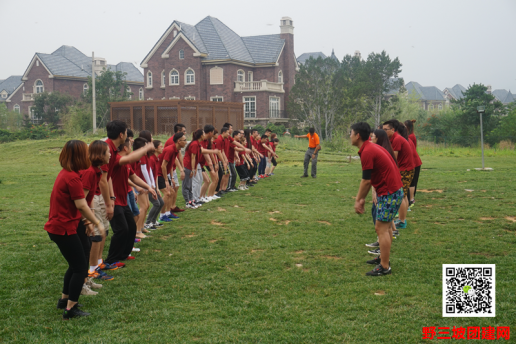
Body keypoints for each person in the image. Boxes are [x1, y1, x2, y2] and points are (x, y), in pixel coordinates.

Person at [46, 140, 105, 319]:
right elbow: (81, 205)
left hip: (63, 226)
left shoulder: (67, 174)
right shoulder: (72, 178)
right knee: (80, 267)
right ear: (79, 156)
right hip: (63, 228)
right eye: (86, 152)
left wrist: (86, 223)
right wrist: (96, 222)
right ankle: (71, 309)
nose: (88, 155)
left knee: (75, 265)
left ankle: (64, 300)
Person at [350, 122, 403, 276]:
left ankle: (384, 266)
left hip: (389, 192)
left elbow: (366, 180)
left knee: (382, 228)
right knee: (385, 228)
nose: (350, 136)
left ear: (358, 135)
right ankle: (383, 259)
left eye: (351, 133)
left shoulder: (368, 150)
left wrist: (359, 200)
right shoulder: (369, 147)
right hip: (391, 191)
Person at [82, 140, 115, 285]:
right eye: (108, 152)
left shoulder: (97, 170)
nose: (110, 155)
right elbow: (83, 199)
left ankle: (96, 265)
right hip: (86, 208)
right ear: (100, 154)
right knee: (95, 235)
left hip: (92, 204)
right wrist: (89, 220)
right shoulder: (90, 172)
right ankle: (92, 269)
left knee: (101, 232)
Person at [383, 120, 415, 230]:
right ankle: (402, 219)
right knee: (404, 195)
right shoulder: (394, 138)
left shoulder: (396, 139)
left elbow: (394, 158)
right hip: (405, 169)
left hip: (405, 170)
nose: (383, 132)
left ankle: (402, 221)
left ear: (392, 130)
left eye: (385, 130)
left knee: (401, 195)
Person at [159, 132, 187, 220]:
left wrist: (171, 178)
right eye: (184, 140)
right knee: (167, 193)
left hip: (165, 174)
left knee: (172, 192)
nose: (186, 142)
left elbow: (170, 165)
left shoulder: (175, 150)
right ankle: (162, 215)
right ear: (179, 141)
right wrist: (166, 180)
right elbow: (163, 166)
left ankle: (167, 213)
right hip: (158, 174)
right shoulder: (170, 149)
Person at [182, 129, 204, 209]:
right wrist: (193, 169)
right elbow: (193, 157)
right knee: (186, 185)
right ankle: (188, 202)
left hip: (190, 166)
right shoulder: (194, 144)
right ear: (201, 135)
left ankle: (192, 201)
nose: (204, 135)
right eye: (203, 133)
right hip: (188, 166)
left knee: (190, 185)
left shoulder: (198, 143)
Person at [405, 120, 422, 206]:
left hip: (414, 161)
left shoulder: (410, 137)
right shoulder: (409, 136)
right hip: (413, 160)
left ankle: (411, 199)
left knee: (412, 181)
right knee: (411, 181)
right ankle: (410, 198)